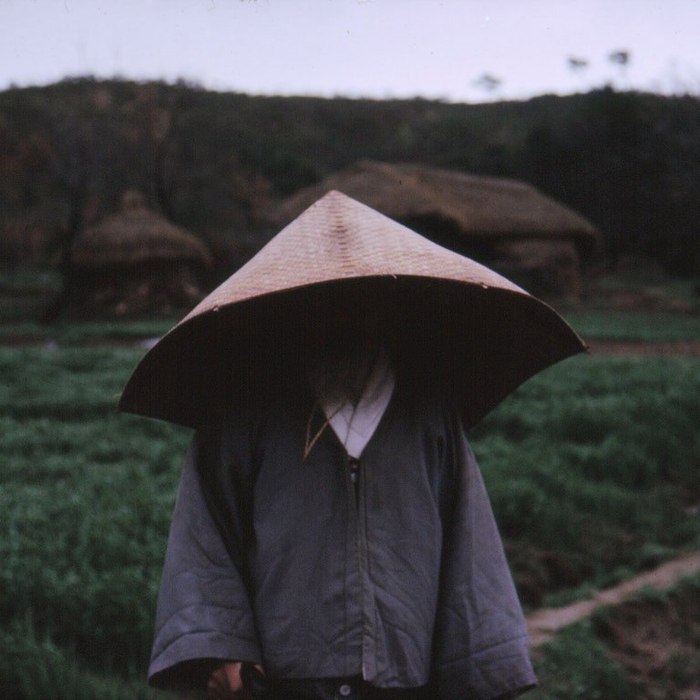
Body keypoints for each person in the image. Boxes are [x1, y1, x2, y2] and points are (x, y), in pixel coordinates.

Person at [123, 191, 583, 699]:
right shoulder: (244, 414)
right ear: (294, 306)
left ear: (387, 306)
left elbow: (469, 548)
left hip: (406, 675)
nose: (344, 314)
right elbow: (204, 536)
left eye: (360, 298)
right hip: (281, 679)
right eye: (326, 299)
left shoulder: (428, 417)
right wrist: (221, 646)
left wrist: (482, 662)